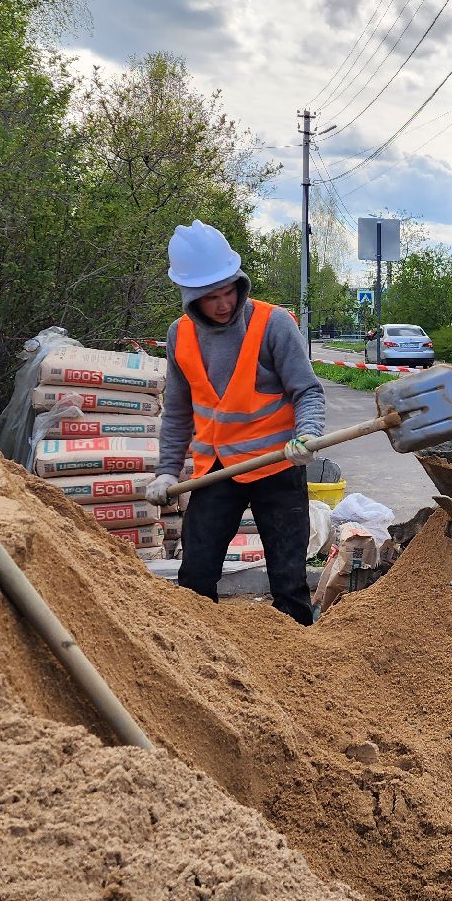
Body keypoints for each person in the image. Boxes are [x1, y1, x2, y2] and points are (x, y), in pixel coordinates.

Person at [146, 221, 326, 624]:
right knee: (196, 574)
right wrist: (165, 472)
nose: (224, 303)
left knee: (289, 579)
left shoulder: (273, 324)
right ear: (190, 296)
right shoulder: (181, 335)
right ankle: (201, 656)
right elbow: (177, 413)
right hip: (216, 470)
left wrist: (308, 434)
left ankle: (300, 663)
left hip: (278, 464)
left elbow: (307, 391)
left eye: (229, 291)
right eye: (211, 297)